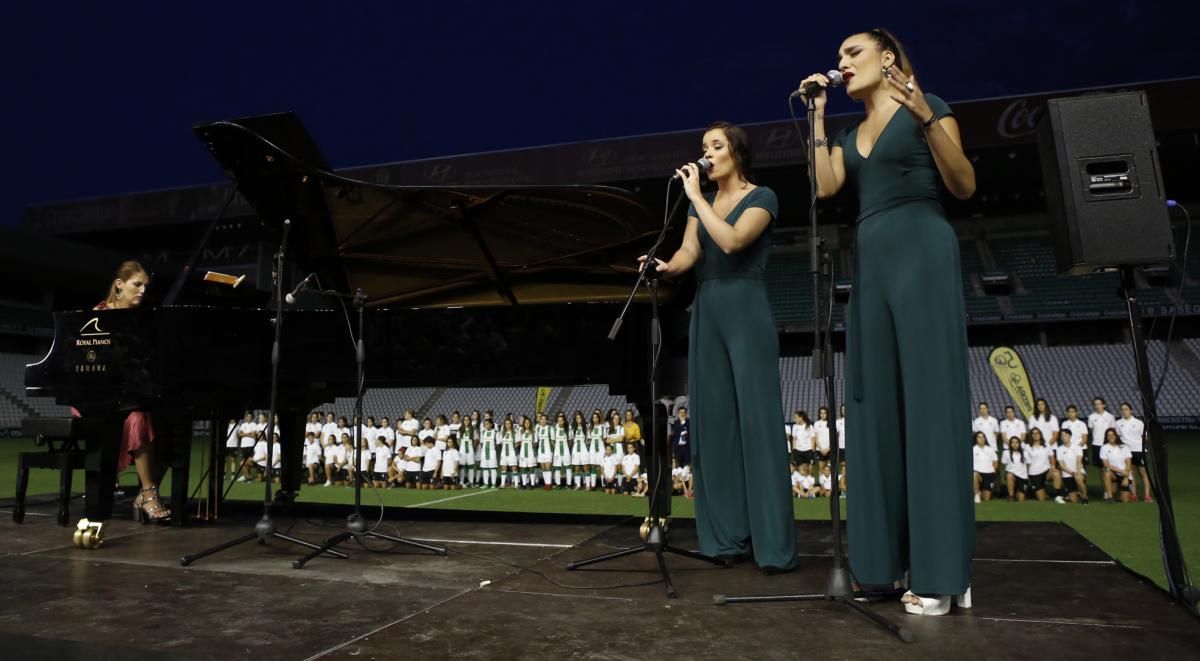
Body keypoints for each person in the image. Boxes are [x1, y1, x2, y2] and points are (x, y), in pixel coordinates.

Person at [802, 27, 976, 612]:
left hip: (922, 246)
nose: (842, 63)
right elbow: (825, 188)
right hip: (871, 259)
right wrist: (818, 117)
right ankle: (884, 563)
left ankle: (943, 572)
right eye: (839, 57)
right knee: (874, 406)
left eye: (853, 53)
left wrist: (926, 114)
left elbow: (964, 183)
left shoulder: (930, 109)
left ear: (889, 57)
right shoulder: (850, 134)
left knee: (928, 404)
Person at [641, 119, 796, 573]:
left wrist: (694, 198)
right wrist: (664, 266)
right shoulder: (700, 205)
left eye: (715, 145)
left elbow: (731, 242)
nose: (706, 153)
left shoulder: (761, 197)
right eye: (703, 146)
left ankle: (773, 546)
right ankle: (727, 537)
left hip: (746, 308)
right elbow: (691, 253)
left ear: (737, 153)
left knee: (756, 424)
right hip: (706, 309)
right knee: (715, 426)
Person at [1115, 403, 1150, 502]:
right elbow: (1117, 437)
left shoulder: (1138, 423)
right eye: (1122, 409)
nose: (1124, 411)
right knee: (1131, 473)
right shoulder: (1118, 423)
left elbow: (1145, 437)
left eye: (1126, 409)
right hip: (1126, 452)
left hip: (1139, 450)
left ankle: (1147, 495)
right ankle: (1134, 495)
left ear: (1131, 411)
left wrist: (1139, 444)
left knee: (1143, 473)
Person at [1054, 426, 1088, 504]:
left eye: (1065, 435)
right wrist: (1072, 473)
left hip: (1078, 472)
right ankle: (1075, 494)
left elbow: (1079, 461)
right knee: (1073, 500)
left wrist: (1078, 472)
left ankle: (1085, 497)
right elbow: (1062, 465)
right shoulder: (1059, 449)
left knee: (1079, 478)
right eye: (1062, 436)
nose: (1063, 437)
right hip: (1067, 474)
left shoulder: (1077, 447)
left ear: (1070, 436)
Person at [1100, 428, 1134, 503]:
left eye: (1112, 435)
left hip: (1125, 474)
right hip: (1114, 474)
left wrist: (1125, 477)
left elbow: (1128, 462)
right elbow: (1106, 465)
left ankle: (1117, 491)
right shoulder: (1104, 448)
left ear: (1116, 436)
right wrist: (1121, 471)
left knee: (1124, 500)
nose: (1111, 437)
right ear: (1106, 437)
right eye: (1108, 435)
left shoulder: (1124, 447)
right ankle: (1110, 497)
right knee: (1107, 473)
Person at [1087, 398, 1115, 473]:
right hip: (1097, 444)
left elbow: (1112, 431)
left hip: (1108, 444)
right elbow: (1092, 430)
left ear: (1103, 405)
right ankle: (1104, 484)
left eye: (1099, 404)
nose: (1097, 406)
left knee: (1111, 467)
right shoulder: (1091, 417)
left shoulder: (1110, 416)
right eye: (1095, 404)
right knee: (1101, 468)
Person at [1025, 428, 1054, 501]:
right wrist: (1027, 475)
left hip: (1046, 470)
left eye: (1037, 433)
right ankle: (1044, 493)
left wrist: (1052, 467)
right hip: (1034, 473)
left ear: (1040, 434)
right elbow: (1028, 462)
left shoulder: (1047, 444)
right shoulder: (1027, 447)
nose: (1035, 435)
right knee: (1041, 499)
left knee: (1056, 474)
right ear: (1031, 435)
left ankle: (1058, 494)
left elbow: (1052, 457)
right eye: (1033, 433)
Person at [1002, 436, 1028, 502]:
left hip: (1022, 477)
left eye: (1016, 442)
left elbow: (1028, 464)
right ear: (1010, 444)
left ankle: (1017, 491)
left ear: (1019, 443)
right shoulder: (1006, 453)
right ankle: (1011, 495)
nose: (1014, 444)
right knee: (1009, 475)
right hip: (1011, 475)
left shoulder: (1025, 453)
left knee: (1021, 499)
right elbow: (1005, 465)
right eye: (1012, 442)